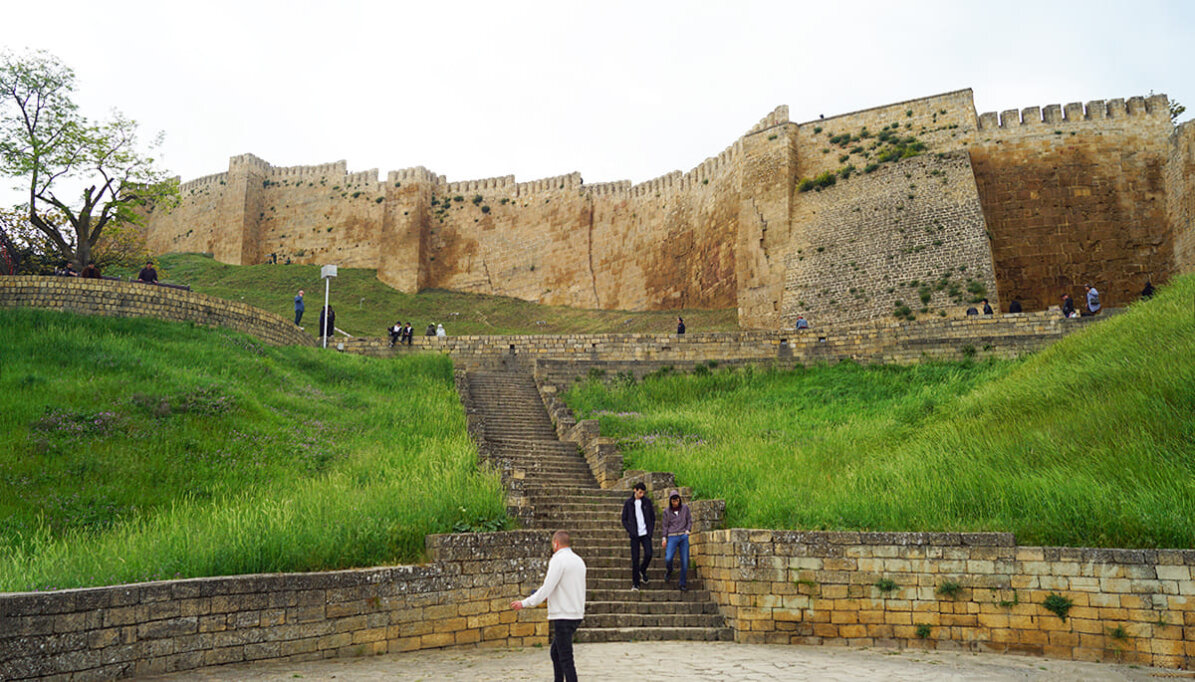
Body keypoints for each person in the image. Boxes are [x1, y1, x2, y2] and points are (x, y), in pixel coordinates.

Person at [511, 530, 586, 682]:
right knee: (555, 652)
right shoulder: (579, 561)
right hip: (576, 613)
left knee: (566, 658)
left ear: (556, 543)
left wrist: (524, 603)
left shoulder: (558, 560)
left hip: (563, 615)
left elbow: (547, 588)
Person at [621, 483, 655, 591]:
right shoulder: (628, 503)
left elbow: (652, 518)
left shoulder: (647, 502)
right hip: (635, 535)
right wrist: (630, 530)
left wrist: (650, 531)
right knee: (635, 559)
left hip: (645, 534)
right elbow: (624, 519)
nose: (641, 494)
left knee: (649, 553)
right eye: (640, 492)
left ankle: (643, 569)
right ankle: (635, 584)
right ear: (635, 490)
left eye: (643, 493)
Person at [660, 491, 692, 592]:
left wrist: (688, 530)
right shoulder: (666, 512)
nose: (676, 502)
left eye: (677, 500)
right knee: (668, 558)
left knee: (685, 561)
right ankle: (669, 570)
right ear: (670, 501)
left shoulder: (685, 508)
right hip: (672, 536)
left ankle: (682, 583)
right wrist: (664, 538)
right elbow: (665, 526)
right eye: (674, 500)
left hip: (683, 535)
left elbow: (689, 520)